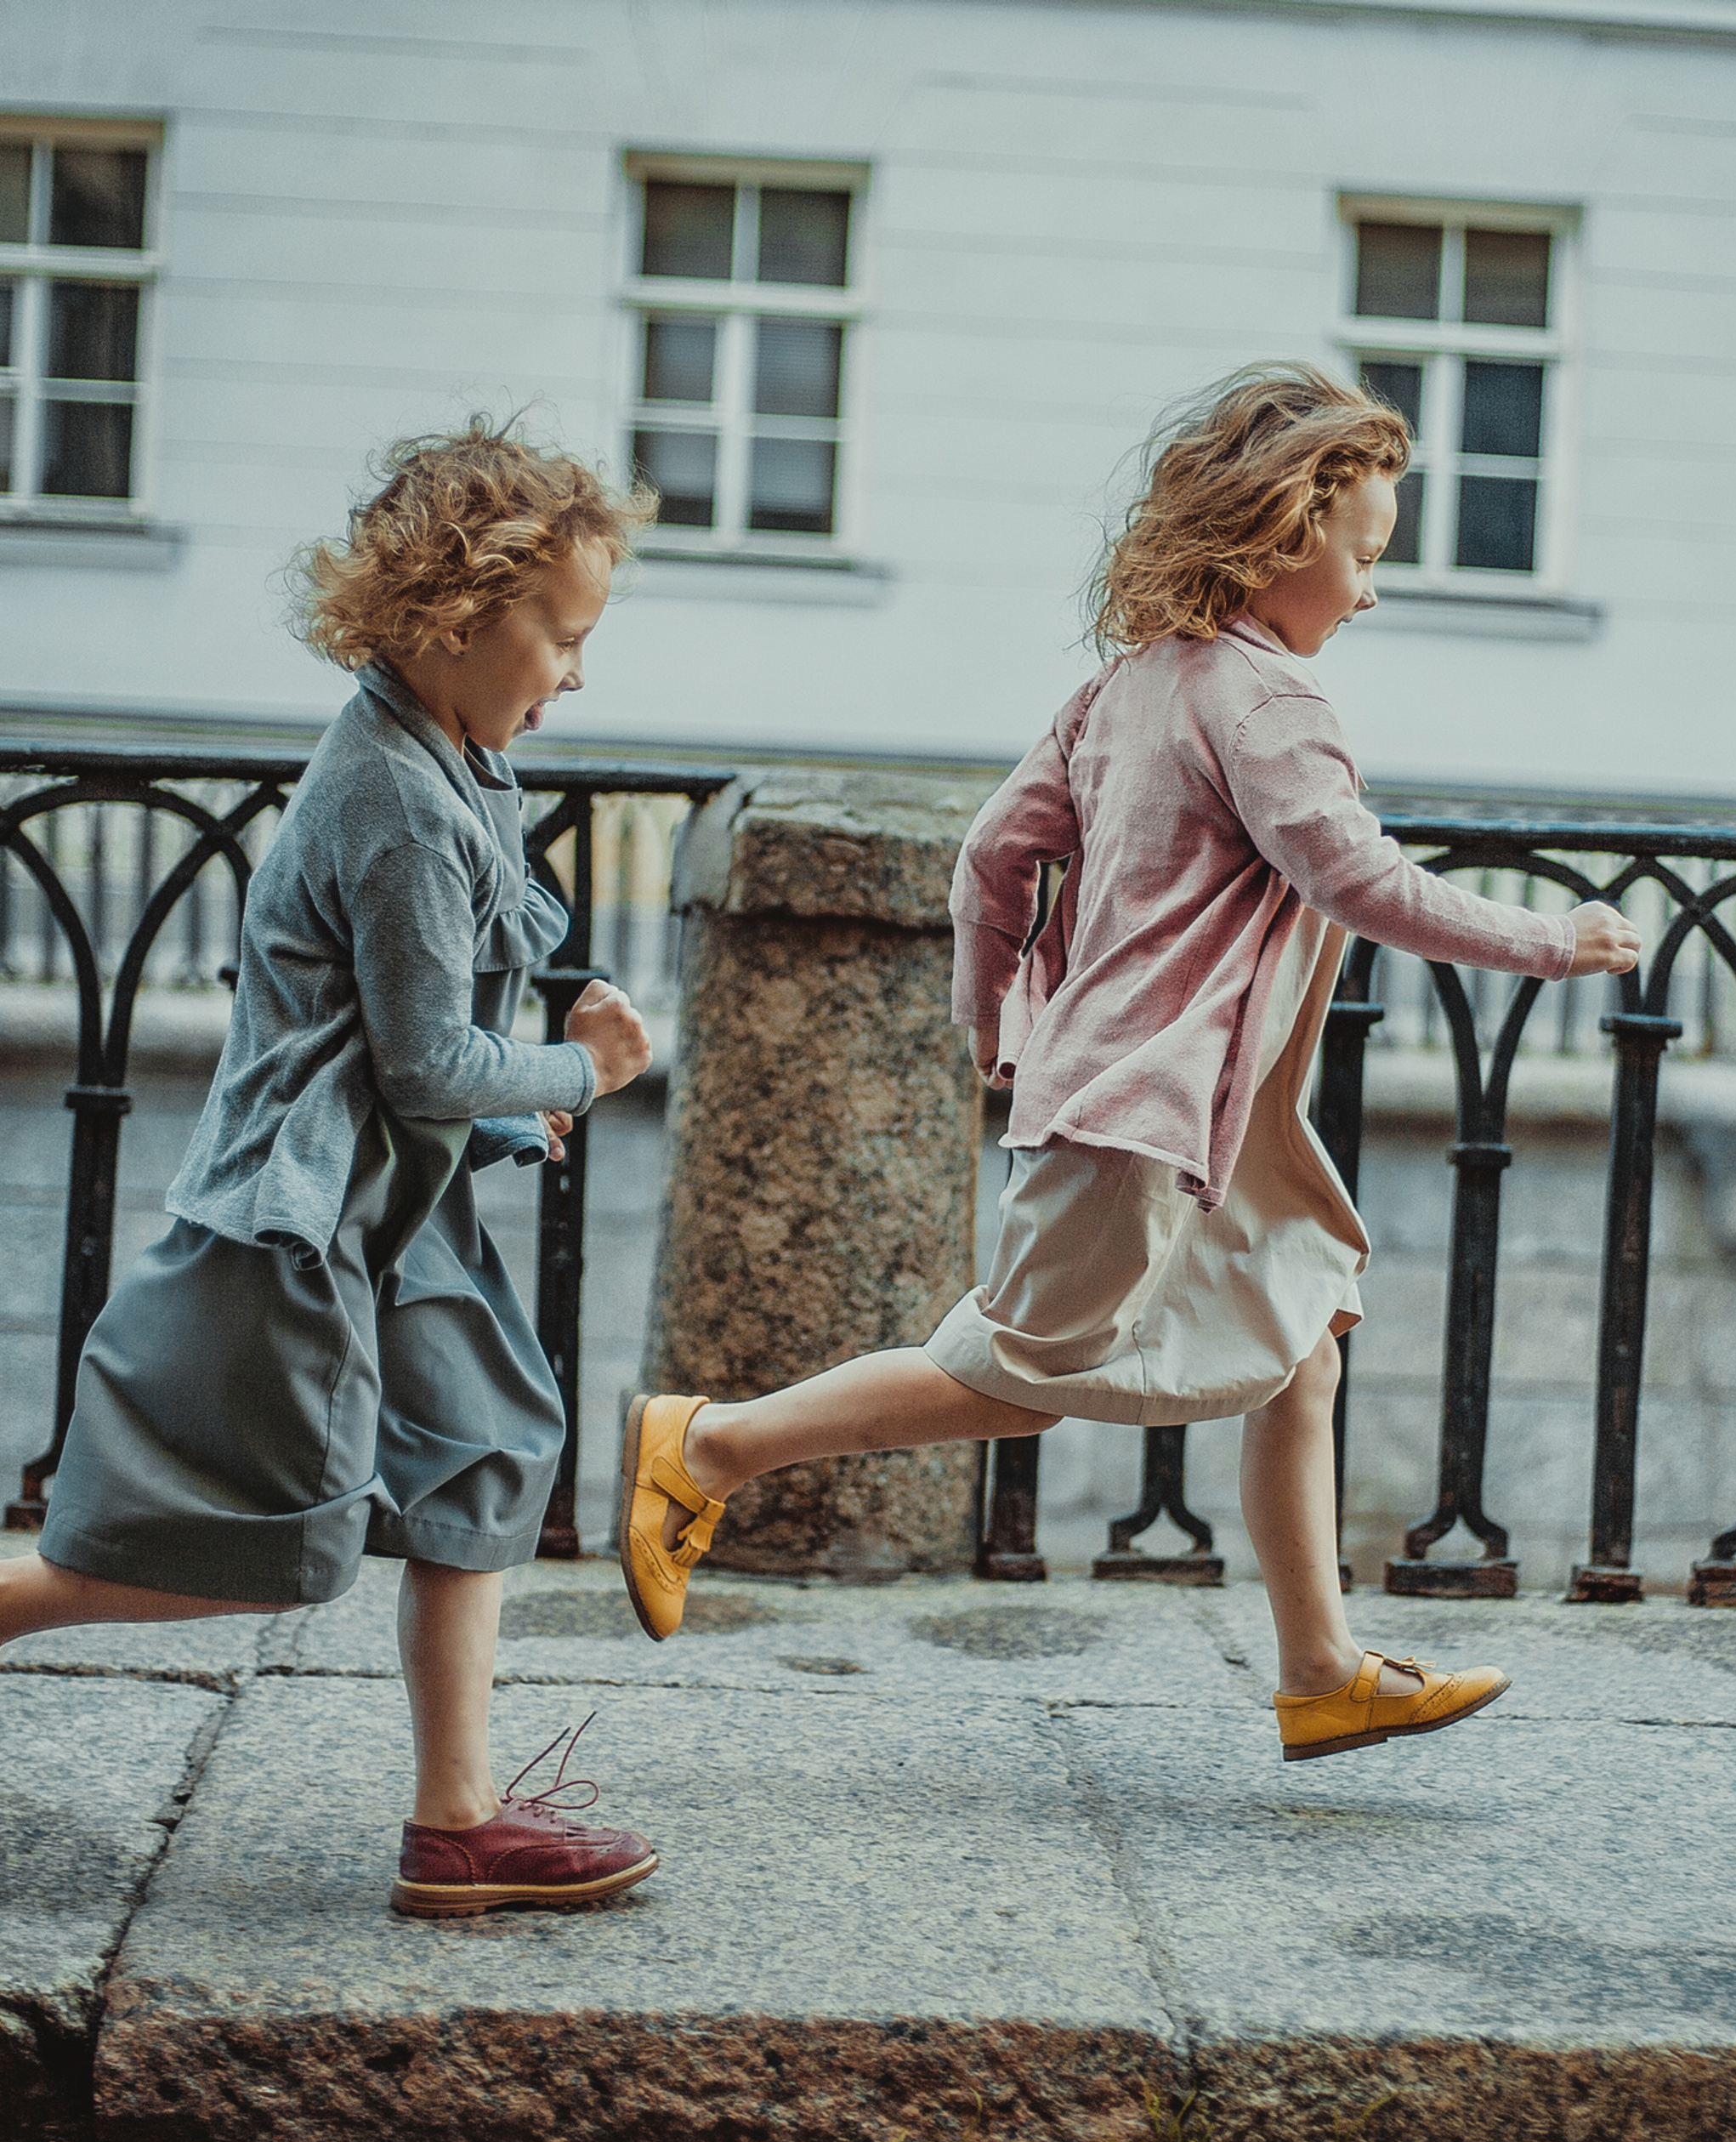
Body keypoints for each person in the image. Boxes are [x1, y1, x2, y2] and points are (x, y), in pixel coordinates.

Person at [621, 365, 1642, 1763]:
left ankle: (1321, 1669)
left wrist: (997, 1023)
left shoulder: (1121, 688)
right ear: (1288, 536)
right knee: (1015, 1375)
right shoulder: (1272, 701)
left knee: (1301, 1345)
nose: (1370, 589)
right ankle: (709, 1446)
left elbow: (995, 855)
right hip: (1150, 1111)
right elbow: (1354, 876)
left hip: (1192, 1113)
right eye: (1365, 554)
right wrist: (1553, 938)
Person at [0, 419, 662, 1912]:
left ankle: (458, 1823)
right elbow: (423, 1059)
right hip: (297, 1225)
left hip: (389, 1211)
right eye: (562, 636)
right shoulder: (400, 799)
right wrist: (581, 1070)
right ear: (455, 619)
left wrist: (503, 1117)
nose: (575, 672)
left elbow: (381, 1052)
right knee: (260, 1543)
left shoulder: (444, 761)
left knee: (490, 1445)